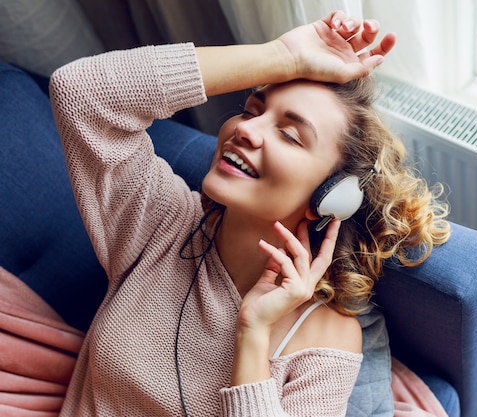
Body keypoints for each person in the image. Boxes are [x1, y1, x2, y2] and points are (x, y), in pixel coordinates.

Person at [49, 10, 449, 417]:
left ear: (333, 196)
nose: (246, 129)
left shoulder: (327, 338)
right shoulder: (159, 223)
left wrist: (253, 334)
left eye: (290, 135)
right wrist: (283, 56)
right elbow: (80, 92)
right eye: (252, 110)